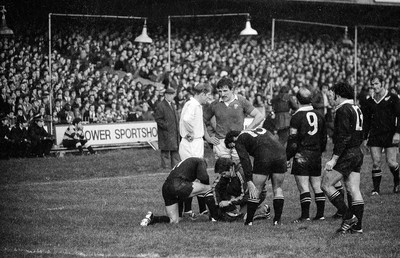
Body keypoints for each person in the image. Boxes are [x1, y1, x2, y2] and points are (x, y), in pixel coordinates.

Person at [321, 81, 364, 234]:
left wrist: (334, 159)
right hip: (357, 151)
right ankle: (357, 227)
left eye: (333, 96)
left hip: (347, 154)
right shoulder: (356, 108)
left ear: (338, 95)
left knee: (326, 184)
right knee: (353, 189)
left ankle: (349, 216)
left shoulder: (343, 109)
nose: (332, 99)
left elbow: (343, 136)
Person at [225, 127, 287, 226]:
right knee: (278, 188)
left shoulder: (239, 139)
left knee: (256, 188)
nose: (234, 148)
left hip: (264, 155)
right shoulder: (259, 130)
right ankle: (277, 221)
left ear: (233, 139)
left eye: (232, 146)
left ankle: (249, 221)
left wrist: (249, 180)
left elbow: (245, 161)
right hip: (281, 153)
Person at [286, 87, 327, 222]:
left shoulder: (296, 116)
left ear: (297, 101)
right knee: (316, 185)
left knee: (303, 186)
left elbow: (292, 141)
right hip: (316, 154)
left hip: (302, 154)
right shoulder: (320, 115)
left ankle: (305, 216)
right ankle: (320, 215)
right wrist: (319, 151)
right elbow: (324, 138)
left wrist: (288, 157)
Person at [139, 157, 218, 226]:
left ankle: (153, 218)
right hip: (177, 184)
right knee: (207, 188)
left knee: (174, 220)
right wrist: (205, 188)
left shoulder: (186, 164)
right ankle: (215, 218)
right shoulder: (200, 161)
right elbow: (204, 177)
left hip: (166, 187)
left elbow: (181, 195)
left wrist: (180, 212)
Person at [204, 77, 264, 162]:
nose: (222, 94)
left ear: (232, 90)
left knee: (240, 169)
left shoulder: (241, 101)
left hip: (238, 139)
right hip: (220, 142)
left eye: (225, 91)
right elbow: (202, 120)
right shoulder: (215, 104)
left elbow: (259, 116)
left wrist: (247, 130)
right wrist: (208, 138)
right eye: (220, 91)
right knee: (224, 172)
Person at [178, 83, 212, 218]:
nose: (207, 98)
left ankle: (193, 209)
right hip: (192, 144)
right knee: (196, 176)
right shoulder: (193, 105)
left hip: (192, 142)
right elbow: (186, 120)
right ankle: (193, 210)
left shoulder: (191, 104)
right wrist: (191, 132)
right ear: (202, 93)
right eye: (207, 95)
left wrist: (188, 133)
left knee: (193, 177)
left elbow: (184, 121)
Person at [363, 75, 400, 194]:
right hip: (375, 135)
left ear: (382, 84)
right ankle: (376, 190)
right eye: (372, 84)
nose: (374, 86)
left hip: (390, 134)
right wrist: (364, 138)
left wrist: (398, 133)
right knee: (376, 162)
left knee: (391, 163)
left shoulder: (393, 98)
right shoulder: (369, 101)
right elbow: (366, 121)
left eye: (376, 83)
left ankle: (397, 182)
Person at [213, 157, 271, 222]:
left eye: (224, 173)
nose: (223, 176)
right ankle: (234, 209)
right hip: (240, 193)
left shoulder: (242, 173)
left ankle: (264, 210)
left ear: (230, 168)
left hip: (254, 194)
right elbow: (216, 187)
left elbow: (246, 196)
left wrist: (229, 202)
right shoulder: (227, 173)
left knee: (243, 217)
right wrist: (217, 205)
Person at [154, 88, 181, 169]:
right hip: (166, 133)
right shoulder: (161, 105)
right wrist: (167, 126)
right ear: (165, 95)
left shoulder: (172, 105)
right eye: (170, 94)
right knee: (165, 153)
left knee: (175, 152)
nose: (172, 96)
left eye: (172, 94)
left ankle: (175, 168)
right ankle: (165, 169)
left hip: (174, 133)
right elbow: (158, 119)